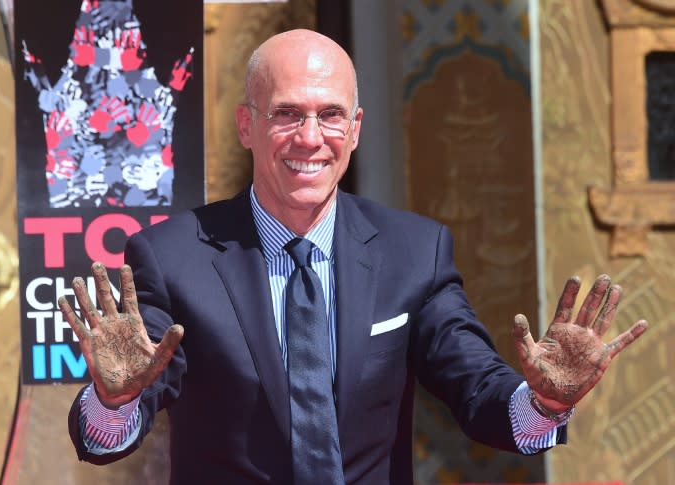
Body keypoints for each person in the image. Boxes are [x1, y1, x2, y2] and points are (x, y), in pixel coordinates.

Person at [60, 29, 649, 484]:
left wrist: (545, 402)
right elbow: (114, 429)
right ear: (247, 125)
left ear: (357, 128)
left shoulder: (414, 252)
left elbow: (477, 389)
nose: (311, 137)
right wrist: (116, 398)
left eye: (331, 114)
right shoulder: (172, 256)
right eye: (287, 113)